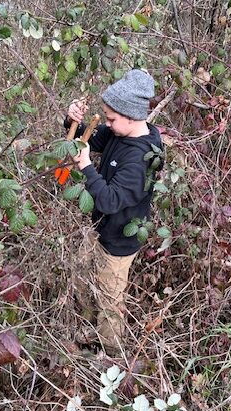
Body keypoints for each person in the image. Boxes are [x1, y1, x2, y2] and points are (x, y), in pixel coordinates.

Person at [65, 69, 164, 355]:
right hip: (100, 229)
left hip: (118, 243)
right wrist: (73, 121)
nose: (107, 124)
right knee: (85, 276)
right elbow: (94, 139)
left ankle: (111, 353)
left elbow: (109, 201)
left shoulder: (140, 160)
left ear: (132, 116)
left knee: (110, 300)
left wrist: (85, 166)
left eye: (111, 119)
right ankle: (87, 327)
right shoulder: (122, 132)